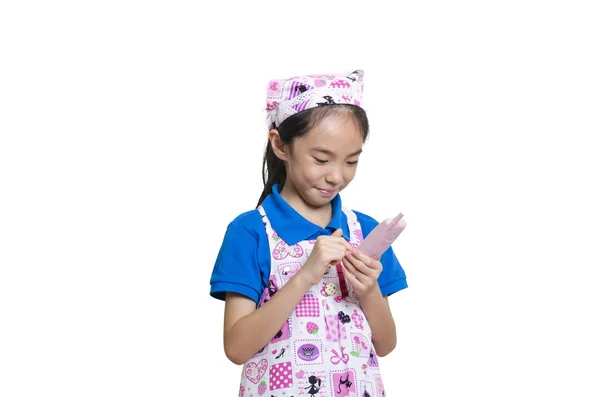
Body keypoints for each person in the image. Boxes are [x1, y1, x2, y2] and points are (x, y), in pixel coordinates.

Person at [209, 69, 408, 396]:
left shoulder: (365, 230)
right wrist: (305, 276)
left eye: (351, 161)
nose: (336, 176)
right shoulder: (250, 232)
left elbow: (385, 344)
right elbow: (237, 348)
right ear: (280, 145)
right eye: (321, 159)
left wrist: (370, 290)